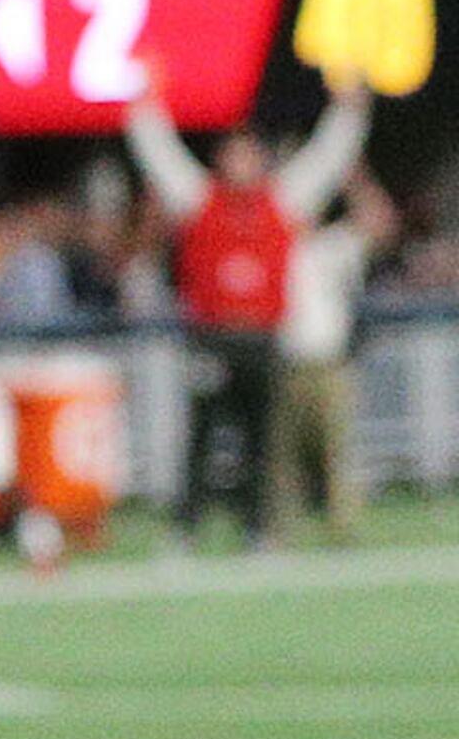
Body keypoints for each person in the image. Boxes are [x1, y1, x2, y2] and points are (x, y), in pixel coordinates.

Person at [124, 63, 369, 550]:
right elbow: (159, 155)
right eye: (232, 154)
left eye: (248, 154)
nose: (241, 163)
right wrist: (145, 103)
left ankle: (259, 530)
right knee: (202, 438)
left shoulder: (283, 201)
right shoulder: (199, 199)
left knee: (265, 443)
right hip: (214, 335)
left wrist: (349, 111)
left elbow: (328, 158)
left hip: (263, 337)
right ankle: (185, 530)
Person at [274, 167, 392, 542]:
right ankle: (278, 532)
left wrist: (353, 176)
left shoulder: (331, 244)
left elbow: (380, 223)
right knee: (280, 457)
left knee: (338, 452)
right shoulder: (270, 243)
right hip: (282, 363)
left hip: (328, 364)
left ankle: (343, 528)